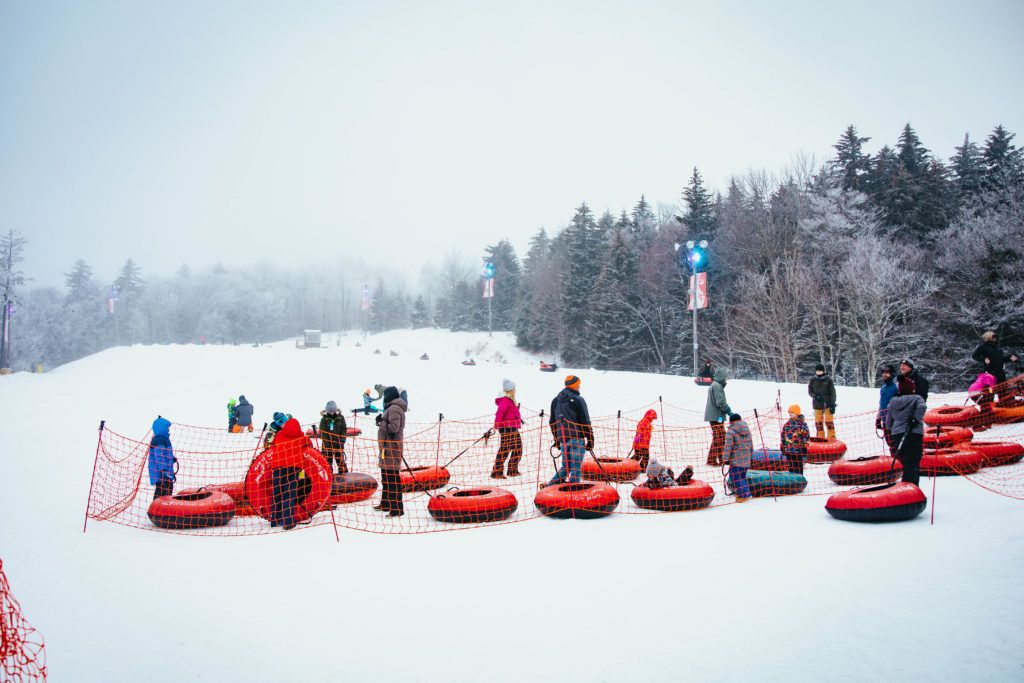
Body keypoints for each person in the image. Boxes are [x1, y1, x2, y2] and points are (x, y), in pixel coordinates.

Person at [547, 375, 593, 486]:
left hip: (563, 439)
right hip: (577, 439)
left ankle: (550, 486)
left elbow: (552, 422)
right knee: (576, 467)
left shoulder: (556, 400)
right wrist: (590, 439)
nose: (579, 387)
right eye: (578, 385)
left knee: (566, 467)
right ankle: (573, 490)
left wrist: (557, 439)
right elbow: (585, 422)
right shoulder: (578, 400)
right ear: (575, 385)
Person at [885, 376, 927, 486]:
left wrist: (895, 428)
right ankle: (910, 488)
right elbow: (922, 407)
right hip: (913, 433)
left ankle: (907, 487)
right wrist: (915, 419)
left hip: (897, 434)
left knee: (905, 461)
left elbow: (888, 422)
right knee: (913, 462)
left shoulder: (892, 402)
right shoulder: (917, 398)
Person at [268, 417, 307, 529]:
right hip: (294, 468)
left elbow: (272, 446)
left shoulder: (279, 435)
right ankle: (288, 521)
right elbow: (309, 446)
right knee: (289, 494)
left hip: (278, 468)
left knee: (277, 493)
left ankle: (275, 520)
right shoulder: (301, 437)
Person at [375, 386, 407, 516]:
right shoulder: (391, 408)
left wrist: (381, 422)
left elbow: (394, 428)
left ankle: (396, 509)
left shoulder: (394, 408)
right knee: (386, 478)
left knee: (392, 480)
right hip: (387, 449)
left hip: (392, 449)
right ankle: (386, 504)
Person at [490, 379, 523, 479]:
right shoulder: (505, 400)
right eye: (514, 388)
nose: (515, 390)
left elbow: (510, 413)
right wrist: (496, 425)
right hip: (506, 428)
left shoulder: (510, 400)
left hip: (512, 427)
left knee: (517, 448)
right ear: (510, 390)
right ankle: (497, 472)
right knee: (505, 449)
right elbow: (499, 413)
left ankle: (512, 470)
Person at [704, 367, 731, 466]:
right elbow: (721, 402)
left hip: (716, 416)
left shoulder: (715, 385)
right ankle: (712, 460)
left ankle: (720, 458)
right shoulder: (717, 386)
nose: (726, 379)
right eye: (725, 377)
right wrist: (729, 412)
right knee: (719, 437)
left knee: (720, 437)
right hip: (716, 416)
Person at [723, 413, 753, 502]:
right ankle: (746, 493)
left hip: (736, 460)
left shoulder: (731, 431)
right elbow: (751, 444)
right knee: (742, 477)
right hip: (746, 459)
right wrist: (750, 456)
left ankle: (744, 496)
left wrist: (725, 458)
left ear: (731, 422)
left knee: (735, 477)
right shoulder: (747, 430)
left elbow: (728, 446)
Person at [148, 416, 176, 499]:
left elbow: (165, 454)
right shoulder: (159, 440)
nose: (168, 430)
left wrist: (172, 458)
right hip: (161, 472)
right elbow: (159, 456)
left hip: (166, 472)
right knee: (162, 490)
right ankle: (156, 508)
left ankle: (166, 506)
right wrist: (163, 470)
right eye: (167, 428)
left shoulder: (163, 439)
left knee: (168, 488)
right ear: (161, 428)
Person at [808, 364, 837, 440]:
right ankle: (820, 437)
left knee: (829, 421)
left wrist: (832, 404)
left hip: (827, 404)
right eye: (817, 371)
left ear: (823, 371)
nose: (819, 372)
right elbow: (810, 391)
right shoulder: (813, 380)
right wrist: (814, 396)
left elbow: (832, 393)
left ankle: (831, 437)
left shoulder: (828, 380)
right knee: (818, 423)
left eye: (820, 371)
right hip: (817, 404)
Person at [319, 401, 348, 475]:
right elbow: (323, 433)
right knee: (327, 463)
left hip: (338, 444)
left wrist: (342, 440)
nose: (331, 413)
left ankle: (344, 476)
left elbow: (344, 429)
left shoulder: (341, 418)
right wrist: (327, 445)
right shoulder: (324, 420)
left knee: (341, 462)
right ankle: (328, 477)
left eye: (333, 411)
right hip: (327, 446)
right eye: (329, 412)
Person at [875, 365, 899, 454]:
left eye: (887, 373)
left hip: (894, 421)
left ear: (892, 374)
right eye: (883, 373)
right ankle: (894, 461)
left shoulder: (896, 387)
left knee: (896, 443)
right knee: (889, 443)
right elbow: (881, 405)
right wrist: (878, 419)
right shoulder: (883, 388)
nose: (884, 375)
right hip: (885, 421)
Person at [780, 404, 810, 474]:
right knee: (791, 467)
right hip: (789, 450)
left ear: (797, 413)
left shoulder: (802, 424)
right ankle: (793, 482)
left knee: (798, 467)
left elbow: (806, 436)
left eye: (792, 412)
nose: (790, 413)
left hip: (798, 451)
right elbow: (783, 436)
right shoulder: (787, 424)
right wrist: (783, 446)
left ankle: (799, 480)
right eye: (789, 412)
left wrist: (805, 447)